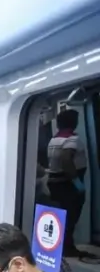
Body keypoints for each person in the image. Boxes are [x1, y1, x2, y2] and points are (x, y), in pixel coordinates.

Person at [46, 109, 87, 257]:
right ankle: (68, 249)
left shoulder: (54, 140)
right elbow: (66, 158)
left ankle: (62, 248)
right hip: (67, 184)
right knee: (71, 216)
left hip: (55, 183)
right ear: (73, 123)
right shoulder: (72, 140)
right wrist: (77, 182)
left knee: (61, 217)